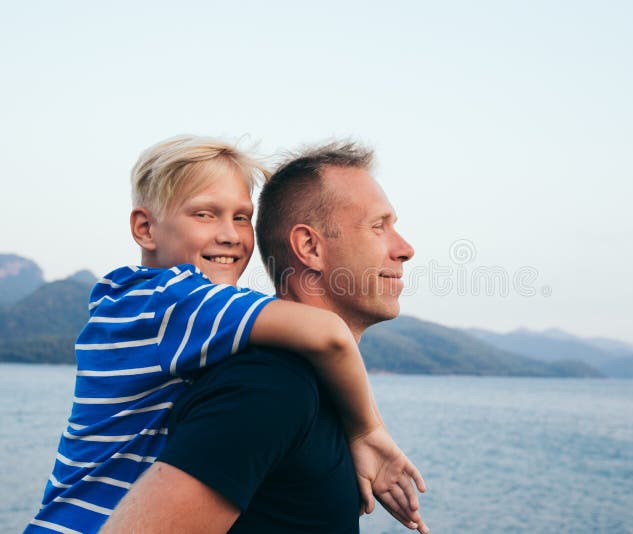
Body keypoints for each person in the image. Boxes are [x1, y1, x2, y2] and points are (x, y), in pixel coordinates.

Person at [26, 136, 423, 534]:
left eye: (241, 217)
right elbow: (329, 334)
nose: (231, 235)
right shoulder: (180, 310)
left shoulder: (184, 315)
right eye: (204, 214)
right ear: (145, 228)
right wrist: (368, 432)